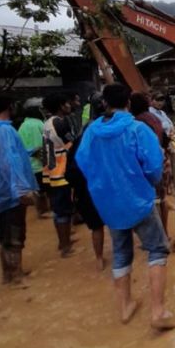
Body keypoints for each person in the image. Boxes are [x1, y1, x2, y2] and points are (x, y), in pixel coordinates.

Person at [75, 84, 175, 331]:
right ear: (128, 103)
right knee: (157, 249)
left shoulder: (91, 132)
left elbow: (83, 163)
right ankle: (158, 311)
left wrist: (103, 186)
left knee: (121, 253)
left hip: (109, 204)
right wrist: (145, 182)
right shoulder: (137, 129)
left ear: (104, 104)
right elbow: (153, 167)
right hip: (138, 201)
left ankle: (125, 307)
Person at [0, 95, 40, 282]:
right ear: (9, 107)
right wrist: (21, 190)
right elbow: (8, 161)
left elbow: (9, 155)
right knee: (14, 231)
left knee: (3, 232)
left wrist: (29, 152)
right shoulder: (3, 131)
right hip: (9, 190)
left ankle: (8, 274)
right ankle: (16, 275)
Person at [68, 95, 109, 271]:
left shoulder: (84, 132)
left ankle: (99, 258)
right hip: (104, 184)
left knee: (96, 226)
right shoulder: (109, 130)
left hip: (87, 185)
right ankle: (119, 256)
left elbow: (73, 165)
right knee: (117, 222)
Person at [41, 92, 78, 257]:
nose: (69, 106)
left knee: (59, 209)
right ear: (61, 106)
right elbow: (72, 144)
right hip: (62, 171)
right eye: (67, 103)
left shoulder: (47, 123)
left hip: (52, 171)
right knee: (63, 210)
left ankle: (64, 241)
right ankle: (65, 246)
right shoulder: (60, 123)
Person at [130, 92, 171, 237]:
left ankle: (155, 235)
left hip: (148, 167)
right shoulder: (155, 118)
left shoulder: (137, 123)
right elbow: (165, 139)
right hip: (161, 162)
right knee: (162, 199)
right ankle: (164, 232)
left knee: (150, 202)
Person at [17, 100, 51, 218]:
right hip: (39, 163)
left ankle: (41, 210)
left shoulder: (23, 125)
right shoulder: (37, 124)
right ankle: (43, 211)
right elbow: (39, 147)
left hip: (28, 163)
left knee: (37, 188)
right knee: (43, 189)